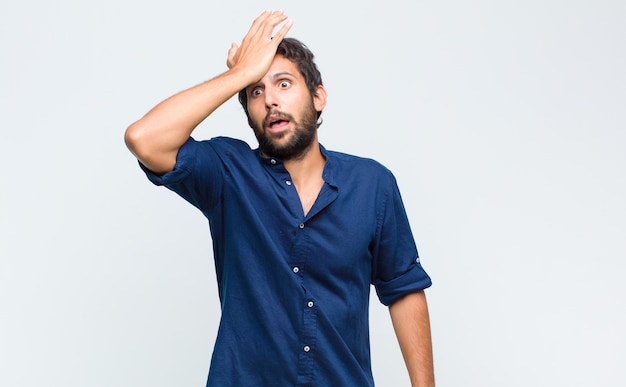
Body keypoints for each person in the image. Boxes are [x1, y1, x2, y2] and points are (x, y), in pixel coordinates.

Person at [125, 9, 434, 387]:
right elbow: (145, 139)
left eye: (283, 84)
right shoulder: (228, 173)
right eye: (256, 91)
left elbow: (403, 290)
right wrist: (237, 75)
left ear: (318, 97)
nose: (270, 99)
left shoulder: (373, 184)